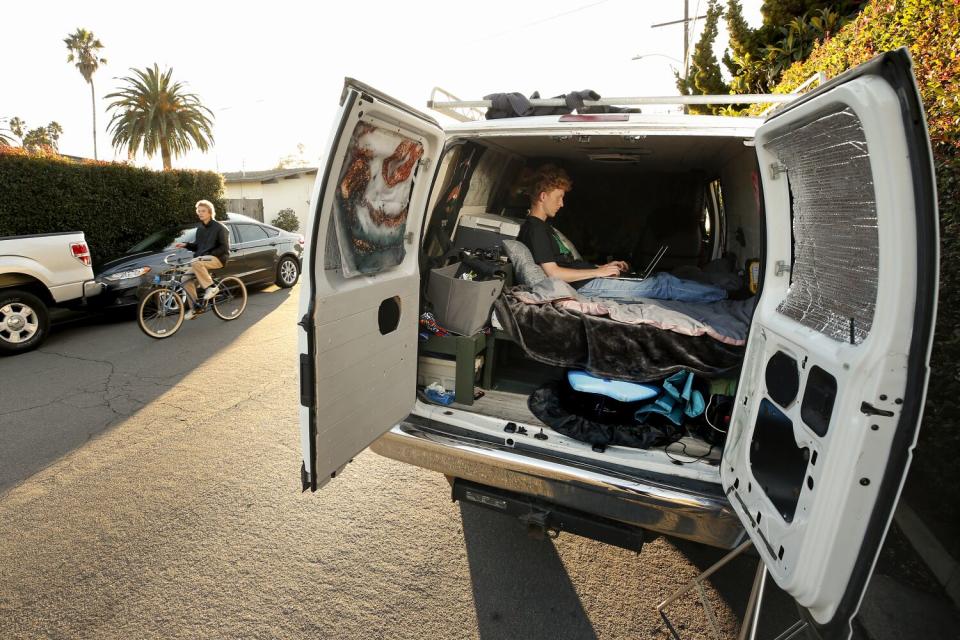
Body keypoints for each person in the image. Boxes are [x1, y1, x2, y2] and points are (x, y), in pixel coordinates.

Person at [516, 165, 727, 304]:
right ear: (543, 196)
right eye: (559, 197)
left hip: (589, 278)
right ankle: (725, 296)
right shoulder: (535, 229)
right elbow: (555, 274)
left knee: (658, 278)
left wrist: (604, 267)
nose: (562, 204)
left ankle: (717, 290)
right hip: (586, 286)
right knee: (663, 285)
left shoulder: (545, 228)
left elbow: (567, 265)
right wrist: (598, 273)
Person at [174, 200, 230, 319]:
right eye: (198, 211)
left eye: (203, 211)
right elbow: (198, 246)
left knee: (196, 262)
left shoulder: (220, 227)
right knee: (185, 278)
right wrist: (186, 245)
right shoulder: (200, 229)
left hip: (218, 258)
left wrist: (207, 254)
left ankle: (211, 288)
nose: (200, 213)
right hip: (201, 260)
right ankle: (195, 308)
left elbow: (224, 248)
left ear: (210, 212)